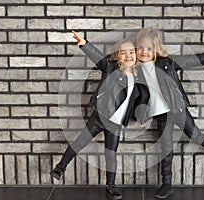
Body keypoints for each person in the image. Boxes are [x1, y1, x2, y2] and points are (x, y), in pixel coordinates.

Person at [134, 27, 204, 199]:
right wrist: (142, 115)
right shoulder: (137, 72)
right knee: (166, 149)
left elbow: (190, 60)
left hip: (177, 108)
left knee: (195, 135)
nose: (144, 52)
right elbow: (141, 98)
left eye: (149, 48)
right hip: (160, 115)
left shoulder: (167, 62)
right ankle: (167, 184)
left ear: (156, 48)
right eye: (141, 48)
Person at [50, 31, 149, 200]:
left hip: (115, 124)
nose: (128, 56)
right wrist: (84, 44)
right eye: (123, 53)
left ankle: (111, 186)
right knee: (81, 141)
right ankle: (60, 167)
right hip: (100, 117)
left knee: (110, 154)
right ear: (117, 57)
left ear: (136, 56)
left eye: (131, 52)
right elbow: (98, 57)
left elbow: (141, 101)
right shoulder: (110, 68)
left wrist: (142, 117)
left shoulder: (139, 77)